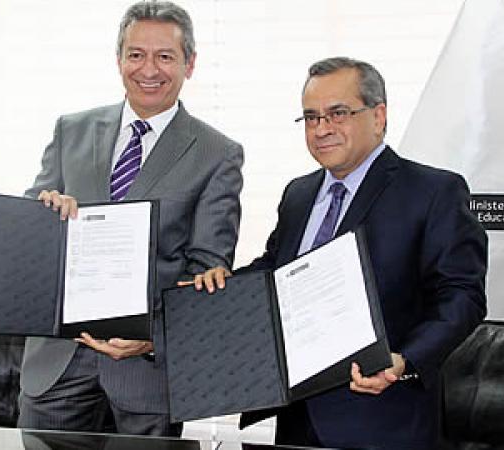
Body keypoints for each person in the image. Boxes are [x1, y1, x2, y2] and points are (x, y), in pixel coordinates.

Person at [189, 57, 487, 449]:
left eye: (338, 113)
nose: (322, 129)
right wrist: (221, 287)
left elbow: (462, 296)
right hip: (297, 419)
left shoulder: (433, 192)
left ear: (378, 116)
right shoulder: (298, 194)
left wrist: (405, 360)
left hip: (383, 421)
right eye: (311, 117)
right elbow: (275, 272)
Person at [18, 1, 243, 437]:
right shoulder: (70, 130)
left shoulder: (218, 154)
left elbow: (207, 269)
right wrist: (45, 211)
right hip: (58, 365)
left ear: (190, 64)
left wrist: (153, 337)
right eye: (136, 54)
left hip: (145, 373)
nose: (149, 69)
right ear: (118, 59)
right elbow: (31, 233)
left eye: (165, 56)